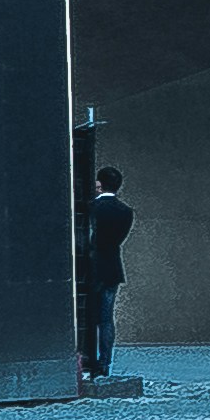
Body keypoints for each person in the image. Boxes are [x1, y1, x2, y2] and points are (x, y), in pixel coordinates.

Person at [77, 160, 133, 382]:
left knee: (85, 316)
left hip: (89, 268)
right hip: (112, 268)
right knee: (106, 319)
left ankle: (84, 360)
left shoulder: (90, 208)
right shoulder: (126, 212)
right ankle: (105, 363)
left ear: (99, 184)